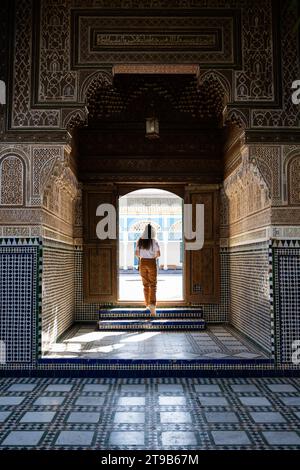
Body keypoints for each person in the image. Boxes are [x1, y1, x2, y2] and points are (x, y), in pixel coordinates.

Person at [135, 223, 161, 316]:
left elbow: (137, 254)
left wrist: (143, 255)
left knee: (145, 285)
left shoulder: (140, 241)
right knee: (153, 285)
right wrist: (152, 255)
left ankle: (147, 304)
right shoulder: (155, 241)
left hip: (143, 263)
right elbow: (158, 254)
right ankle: (152, 306)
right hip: (152, 262)